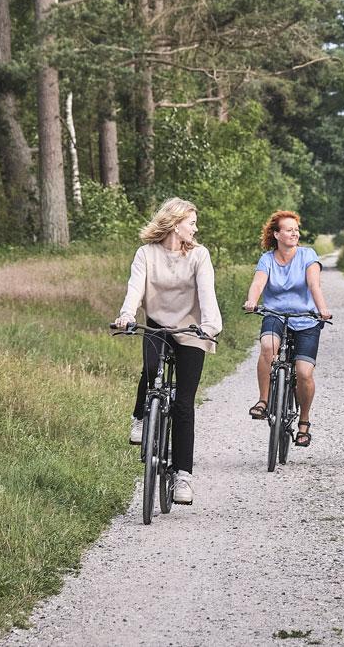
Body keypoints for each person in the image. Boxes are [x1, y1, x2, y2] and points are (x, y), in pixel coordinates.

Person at [114, 197, 222, 506]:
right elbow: (135, 288)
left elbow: (207, 293)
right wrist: (127, 314)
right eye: (191, 223)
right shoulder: (146, 254)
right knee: (151, 369)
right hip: (158, 325)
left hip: (191, 330)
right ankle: (140, 417)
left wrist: (210, 326)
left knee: (184, 404)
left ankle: (183, 476)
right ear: (175, 224)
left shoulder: (199, 256)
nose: (195, 228)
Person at [242, 210, 333, 447]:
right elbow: (258, 283)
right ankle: (263, 400)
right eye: (289, 230)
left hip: (306, 318)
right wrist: (252, 300)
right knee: (267, 347)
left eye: (296, 230)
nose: (294, 233)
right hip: (275, 314)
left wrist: (322, 309)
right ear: (277, 234)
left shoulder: (307, 255)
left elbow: (314, 285)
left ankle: (304, 422)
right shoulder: (267, 259)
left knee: (303, 373)